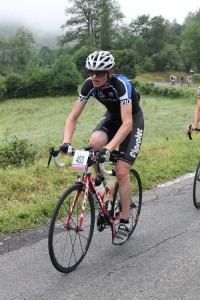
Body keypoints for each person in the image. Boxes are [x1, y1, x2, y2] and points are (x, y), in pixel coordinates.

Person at [59, 50, 144, 245]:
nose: (94, 76)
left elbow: (127, 123)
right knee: (92, 146)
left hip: (131, 122)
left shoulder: (121, 85)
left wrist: (109, 148)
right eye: (91, 72)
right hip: (112, 118)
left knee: (122, 171)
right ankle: (105, 189)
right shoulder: (89, 85)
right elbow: (73, 116)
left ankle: (123, 221)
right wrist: (66, 142)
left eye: (99, 73)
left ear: (109, 72)